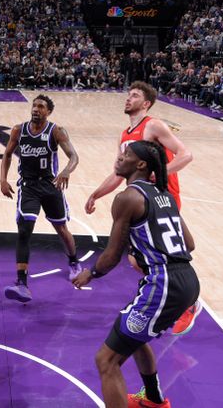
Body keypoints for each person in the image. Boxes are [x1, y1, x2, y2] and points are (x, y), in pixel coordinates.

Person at [73, 141, 200, 408]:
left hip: (163, 284)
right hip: (187, 279)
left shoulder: (127, 198)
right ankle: (154, 399)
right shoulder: (164, 194)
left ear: (141, 164)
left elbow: (111, 256)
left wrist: (91, 273)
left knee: (106, 360)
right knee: (132, 333)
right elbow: (188, 244)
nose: (120, 157)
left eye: (126, 154)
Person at [84, 81, 200, 335]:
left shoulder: (153, 125)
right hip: (143, 200)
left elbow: (186, 154)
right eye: (128, 94)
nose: (128, 98)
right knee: (138, 259)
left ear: (146, 103)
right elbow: (118, 173)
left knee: (166, 254)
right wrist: (97, 193)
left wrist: (159, 175)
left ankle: (188, 303)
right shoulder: (125, 135)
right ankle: (169, 298)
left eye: (134, 95)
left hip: (162, 197)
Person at [0, 94, 82, 303]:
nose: (36, 109)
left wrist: (65, 171)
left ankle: (74, 262)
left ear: (48, 111)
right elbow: (7, 154)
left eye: (41, 106)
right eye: (34, 105)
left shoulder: (55, 131)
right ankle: (21, 283)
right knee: (24, 229)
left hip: (51, 186)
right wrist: (2, 179)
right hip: (28, 186)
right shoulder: (19, 130)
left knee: (62, 229)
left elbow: (74, 156)